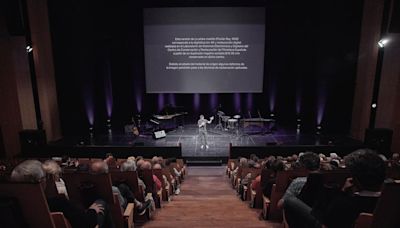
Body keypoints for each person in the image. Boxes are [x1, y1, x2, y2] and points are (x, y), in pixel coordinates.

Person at [283, 149, 385, 228]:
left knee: (289, 201)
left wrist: (341, 193)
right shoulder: (389, 204)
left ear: (355, 179)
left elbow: (322, 218)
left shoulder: (345, 203)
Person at [11, 160, 111, 228]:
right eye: (45, 177)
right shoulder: (58, 203)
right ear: (41, 182)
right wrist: (93, 210)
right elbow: (87, 223)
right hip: (85, 221)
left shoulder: (13, 206)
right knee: (101, 202)